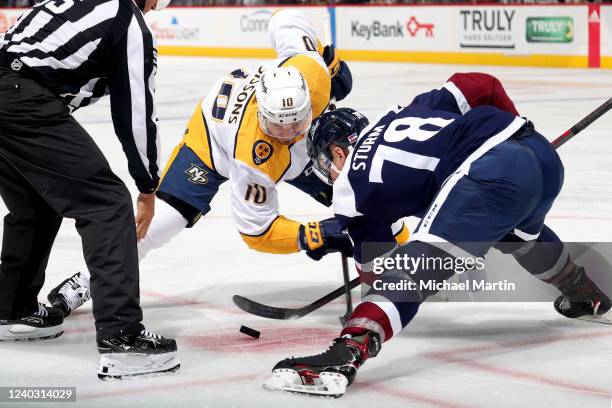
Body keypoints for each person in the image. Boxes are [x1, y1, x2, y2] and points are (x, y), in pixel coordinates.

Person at [263, 73, 611, 397]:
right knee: (517, 237)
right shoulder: (402, 112)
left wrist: (355, 243)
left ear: (337, 152)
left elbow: (378, 271)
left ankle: (347, 351)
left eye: (326, 163)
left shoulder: (349, 188)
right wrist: (510, 146)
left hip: (487, 169)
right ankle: (586, 293)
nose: (329, 173)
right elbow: (480, 85)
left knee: (418, 268)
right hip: (538, 156)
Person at [46, 8, 411, 317]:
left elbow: (285, 19)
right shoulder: (254, 155)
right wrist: (313, 234)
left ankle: (395, 265)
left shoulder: (311, 76)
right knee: (162, 222)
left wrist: (321, 55)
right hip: (212, 145)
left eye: (296, 123)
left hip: (293, 145)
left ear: (309, 106)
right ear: (263, 115)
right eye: (277, 126)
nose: (286, 133)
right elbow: (257, 231)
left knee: (363, 190)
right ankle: (88, 278)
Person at [0, 0, 179, 379]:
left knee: (35, 206)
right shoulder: (127, 18)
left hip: (8, 90)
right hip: (21, 98)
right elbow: (135, 112)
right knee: (107, 203)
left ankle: (10, 308)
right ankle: (122, 339)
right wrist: (147, 187)